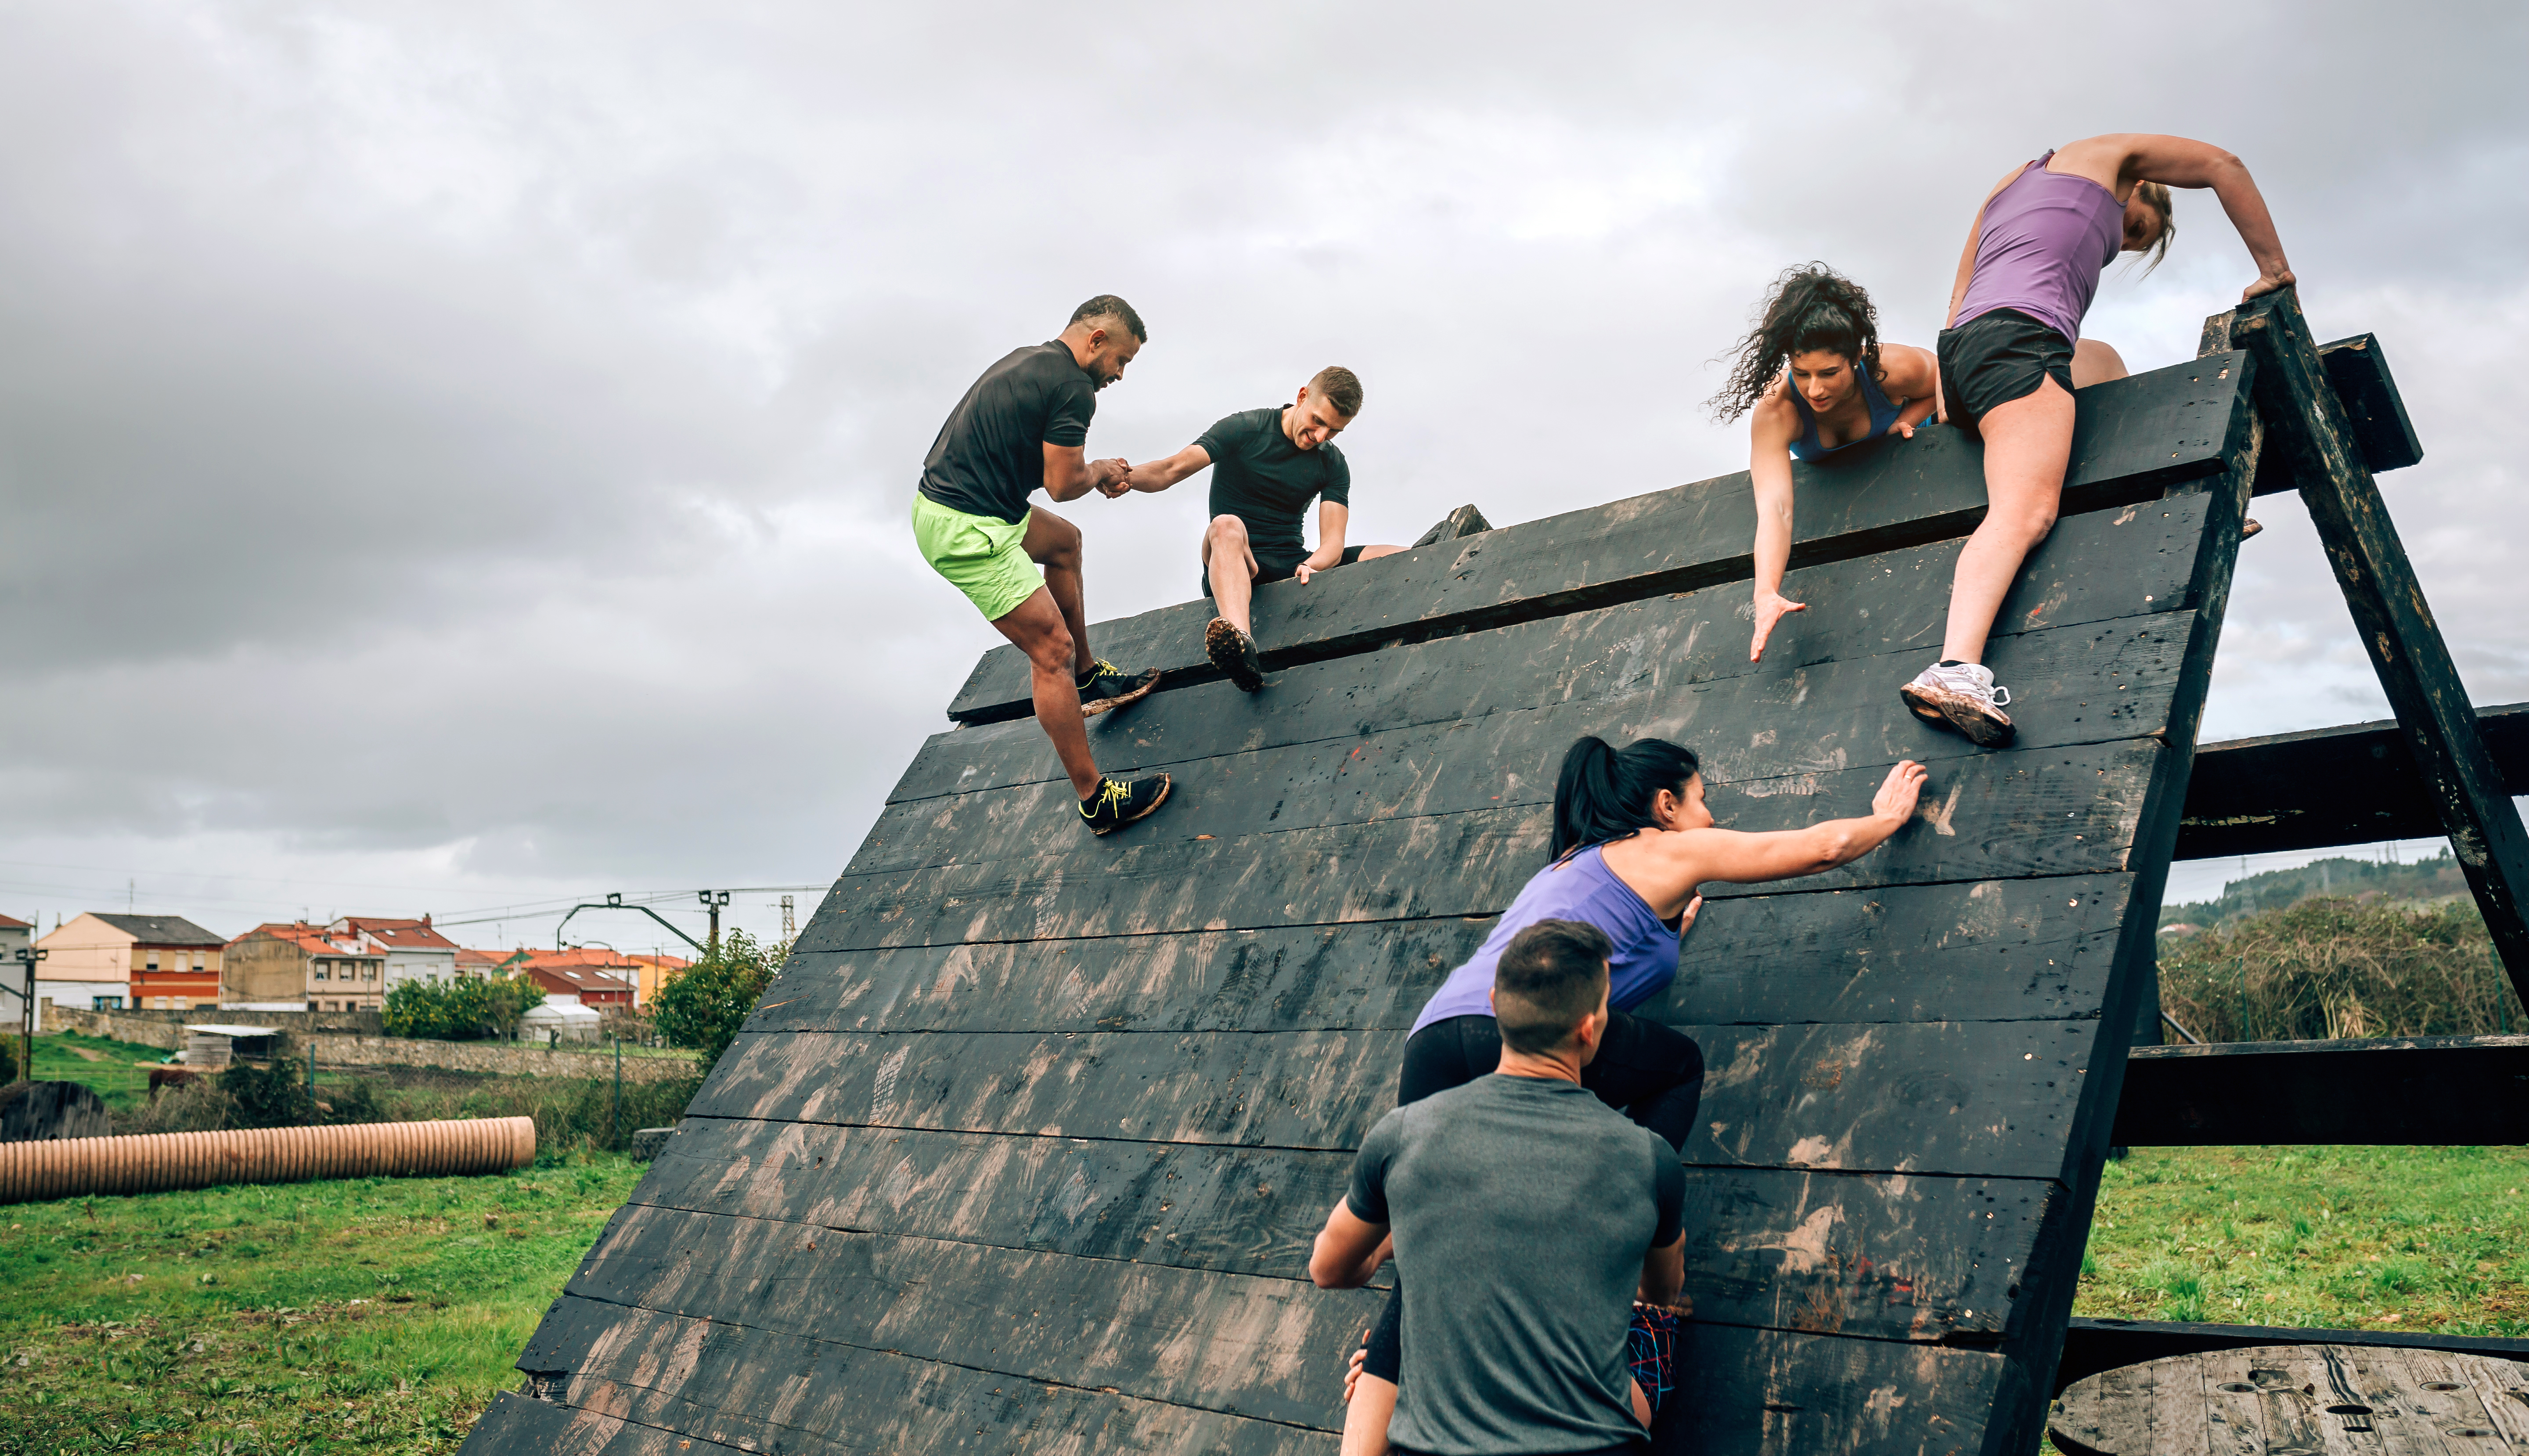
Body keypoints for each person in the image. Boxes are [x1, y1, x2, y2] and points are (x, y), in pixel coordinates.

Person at [1337, 736, 1930, 1453]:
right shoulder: (1663, 847)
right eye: (1703, 797)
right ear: (1666, 803)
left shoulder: (1570, 868)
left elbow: (1604, 951)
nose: (1711, 815)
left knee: (1422, 1274)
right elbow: (1825, 846)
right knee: (1678, 1068)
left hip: (1438, 1034)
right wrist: (1888, 818)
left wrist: (1668, 932)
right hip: (1512, 1035)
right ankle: (1605, 1200)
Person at [1903, 134, 2294, 747]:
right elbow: (2226, 165)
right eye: (2133, 227)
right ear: (2142, 189)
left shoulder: (2011, 181)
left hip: (1969, 349)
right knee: (2024, 513)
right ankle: (1956, 670)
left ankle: (2178, 496)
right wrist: (2274, 270)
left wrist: (1952, 390)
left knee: (2102, 360)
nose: (2122, 241)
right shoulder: (2115, 156)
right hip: (2020, 340)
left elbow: (1962, 287)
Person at [1311, 919, 1687, 1456]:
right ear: (1589, 1028)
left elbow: (1327, 1269)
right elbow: (1661, 1292)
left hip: (1433, 1443)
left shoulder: (1403, 1133)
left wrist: (1376, 1262)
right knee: (1659, 1326)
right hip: (1594, 1446)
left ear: (1493, 1000)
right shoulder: (1651, 1157)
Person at [912, 295, 1174, 835]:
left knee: (1065, 545)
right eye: (1122, 361)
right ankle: (1095, 799)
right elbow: (1062, 484)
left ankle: (1086, 676)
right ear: (1096, 340)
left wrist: (1089, 468)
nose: (1120, 375)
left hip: (975, 506)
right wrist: (1100, 468)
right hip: (965, 527)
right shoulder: (1074, 388)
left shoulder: (1030, 358)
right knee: (1049, 648)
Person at [1106, 367, 1402, 692]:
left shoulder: (1332, 462)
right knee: (1227, 525)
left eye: (1333, 431)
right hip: (1237, 562)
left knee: (1399, 555)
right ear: (1302, 397)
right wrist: (1125, 477)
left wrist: (1312, 565)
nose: (1320, 436)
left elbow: (1333, 542)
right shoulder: (1246, 428)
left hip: (1293, 565)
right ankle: (1241, 646)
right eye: (1318, 421)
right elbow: (1171, 469)